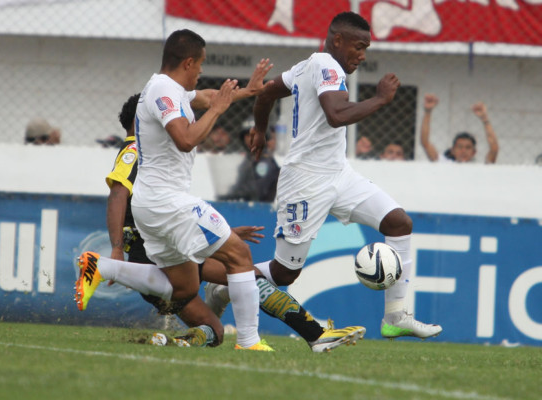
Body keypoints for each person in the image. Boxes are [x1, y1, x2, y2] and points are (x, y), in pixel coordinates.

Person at [102, 93, 365, 352]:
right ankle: (117, 284)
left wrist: (217, 236)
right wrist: (116, 249)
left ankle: (315, 335)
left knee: (241, 283)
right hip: (149, 252)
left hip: (171, 243)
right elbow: (118, 193)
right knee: (223, 313)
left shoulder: (152, 153)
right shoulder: (136, 150)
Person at [75, 29, 276, 351]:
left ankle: (103, 267)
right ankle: (250, 342)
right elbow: (185, 139)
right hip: (168, 203)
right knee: (239, 254)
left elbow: (209, 96)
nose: (201, 71)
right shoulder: (163, 92)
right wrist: (218, 111)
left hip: (151, 206)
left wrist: (248, 91)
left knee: (183, 288)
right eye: (201, 64)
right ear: (188, 61)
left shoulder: (167, 89)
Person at [250, 11, 442, 340]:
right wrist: (381, 99)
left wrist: (260, 128)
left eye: (366, 48)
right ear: (337, 40)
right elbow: (336, 115)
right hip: (306, 181)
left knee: (399, 223)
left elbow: (267, 92)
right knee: (284, 273)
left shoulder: (309, 64)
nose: (362, 55)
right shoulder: (327, 65)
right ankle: (224, 283)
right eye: (359, 46)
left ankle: (395, 316)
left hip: (339, 174)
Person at [420, 94, 499, 163]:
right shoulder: (444, 164)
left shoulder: (479, 169)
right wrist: (428, 112)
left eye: (468, 148)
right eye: (459, 147)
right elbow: (425, 143)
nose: (463, 151)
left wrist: (485, 119)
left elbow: (494, 149)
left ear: (474, 152)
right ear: (453, 150)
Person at [219, 125, 280, 202]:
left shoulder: (265, 162)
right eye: (248, 135)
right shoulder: (248, 160)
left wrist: (236, 193)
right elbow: (239, 183)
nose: (251, 138)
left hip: (260, 207)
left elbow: (258, 190)